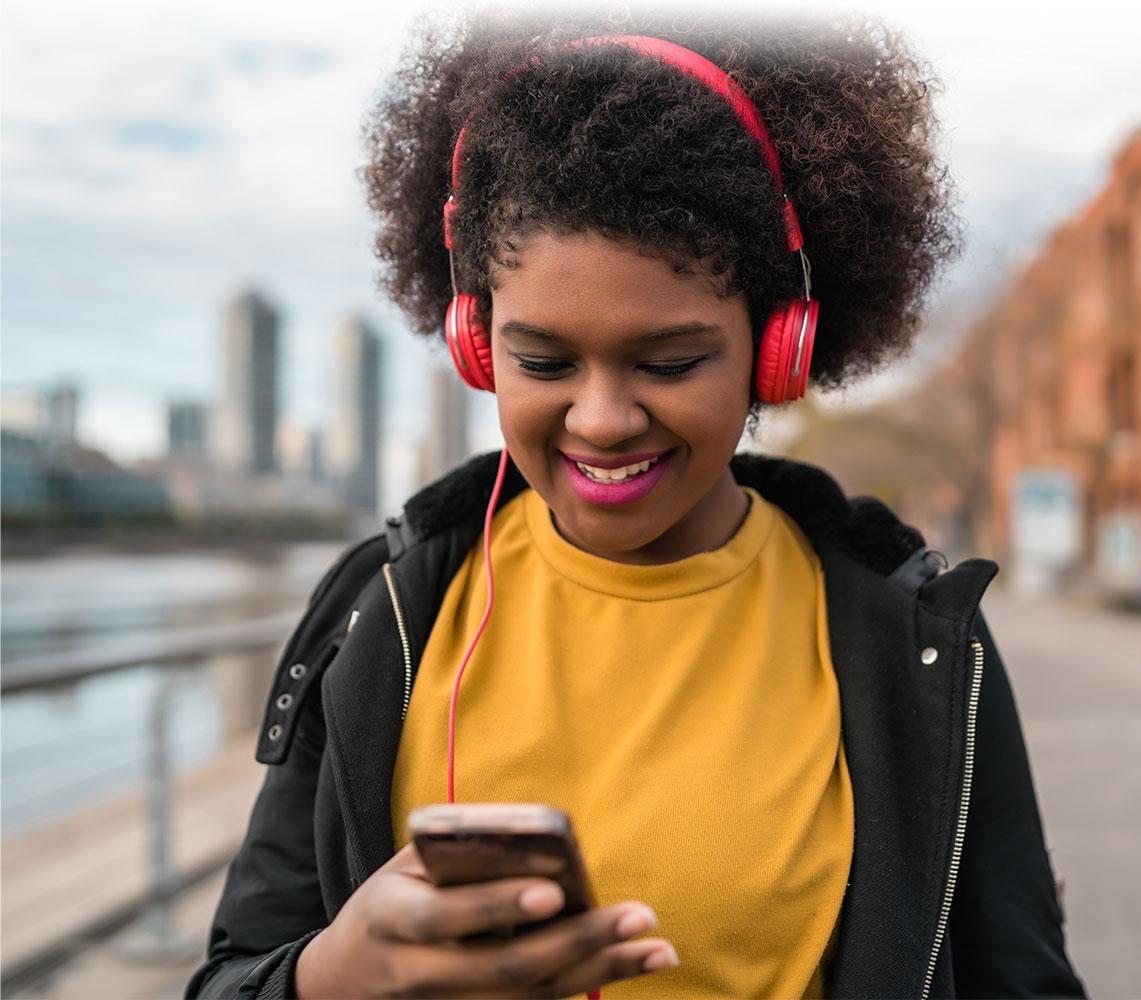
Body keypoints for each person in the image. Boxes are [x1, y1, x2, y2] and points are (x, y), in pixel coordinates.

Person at [187, 9, 1086, 999]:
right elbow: (233, 976)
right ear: (476, 344)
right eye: (544, 359)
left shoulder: (912, 632)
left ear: (777, 350)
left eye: (670, 360)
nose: (604, 419)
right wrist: (331, 973)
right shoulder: (381, 612)